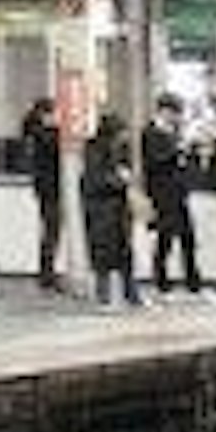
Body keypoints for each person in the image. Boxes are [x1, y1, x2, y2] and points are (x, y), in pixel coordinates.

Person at [141, 96, 204, 295]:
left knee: (188, 237)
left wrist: (190, 152)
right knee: (165, 237)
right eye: (175, 113)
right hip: (161, 192)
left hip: (179, 191)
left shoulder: (174, 132)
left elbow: (183, 160)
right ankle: (161, 279)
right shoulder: (150, 132)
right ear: (164, 111)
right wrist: (178, 150)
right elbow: (155, 161)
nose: (177, 118)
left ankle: (192, 280)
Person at [80, 108, 139, 310]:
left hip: (120, 208)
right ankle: (103, 297)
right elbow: (94, 180)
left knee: (126, 253)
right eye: (122, 132)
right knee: (102, 254)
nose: (125, 136)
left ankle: (131, 296)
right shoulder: (93, 148)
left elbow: (128, 170)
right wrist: (119, 180)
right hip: (100, 210)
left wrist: (125, 177)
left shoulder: (123, 148)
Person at [15, 97, 69, 294]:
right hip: (49, 188)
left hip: (45, 187)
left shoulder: (35, 132)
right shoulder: (42, 134)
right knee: (52, 230)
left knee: (51, 230)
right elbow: (55, 149)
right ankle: (46, 274)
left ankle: (47, 273)